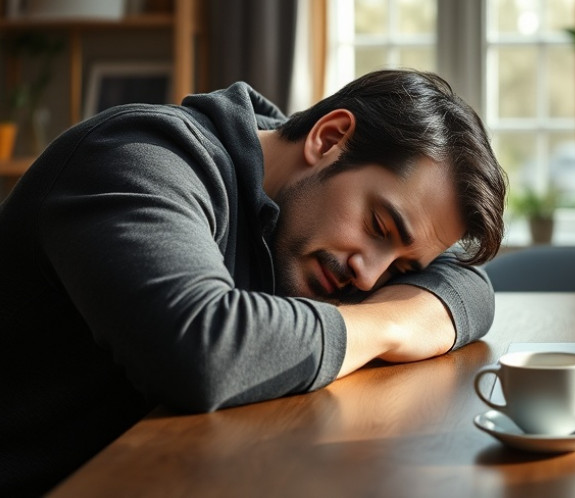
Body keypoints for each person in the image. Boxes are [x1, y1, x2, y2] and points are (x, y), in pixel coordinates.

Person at [0, 69, 507, 495]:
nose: (368, 274)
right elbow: (203, 351)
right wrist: (391, 326)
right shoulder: (135, 157)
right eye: (379, 227)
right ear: (328, 138)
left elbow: (471, 287)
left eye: (400, 269)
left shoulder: (304, 217)